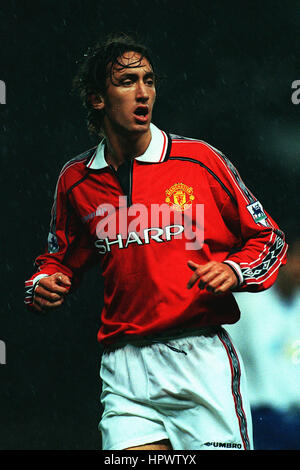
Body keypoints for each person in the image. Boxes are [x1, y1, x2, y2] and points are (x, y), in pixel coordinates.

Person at [24, 33, 288, 451]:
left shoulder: (199, 161)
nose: (143, 91)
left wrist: (235, 269)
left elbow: (269, 238)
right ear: (97, 99)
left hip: (198, 357)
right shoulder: (75, 180)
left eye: (149, 79)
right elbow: (58, 259)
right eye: (128, 81)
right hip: (123, 364)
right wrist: (43, 283)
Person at [226, 238, 300, 450]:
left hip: (294, 417)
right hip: (259, 416)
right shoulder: (246, 304)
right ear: (283, 259)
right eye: (297, 259)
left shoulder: (297, 304)